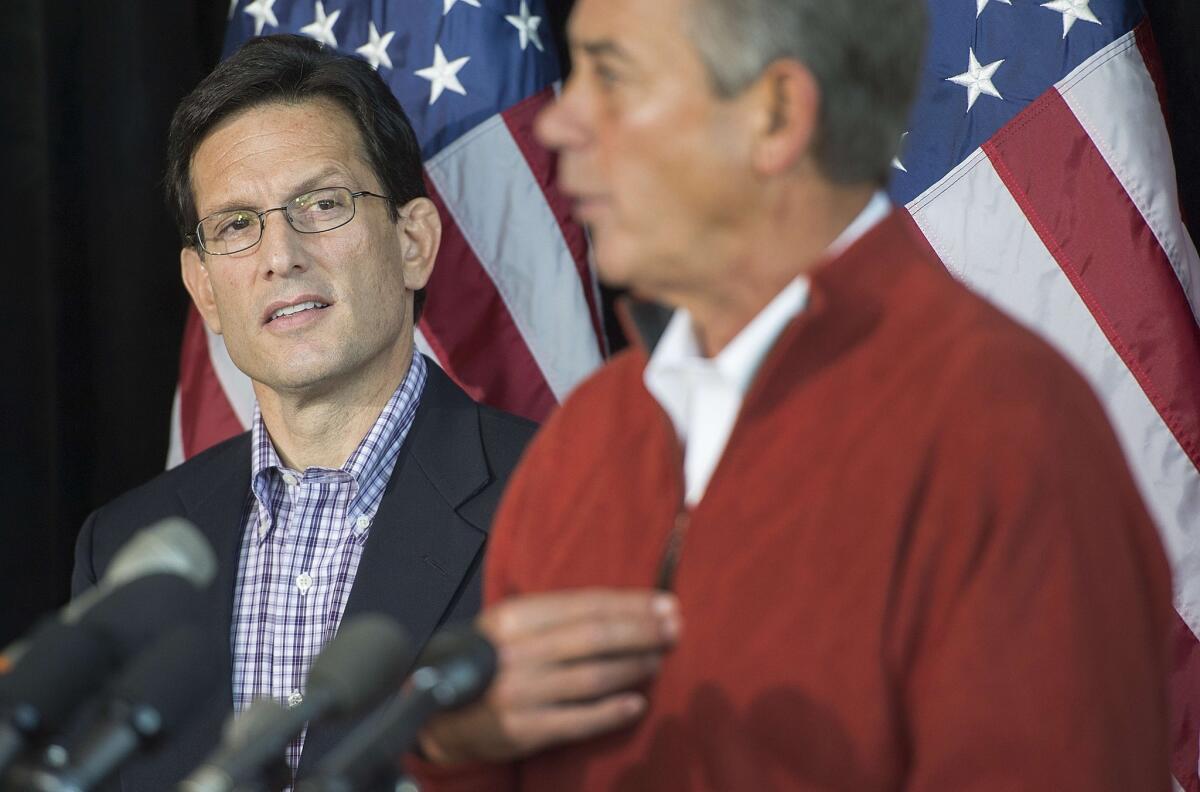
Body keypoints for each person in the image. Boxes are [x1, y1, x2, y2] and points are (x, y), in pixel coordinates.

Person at [410, 0, 1173, 789]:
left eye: (611, 75)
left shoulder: (1000, 427)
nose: (560, 124)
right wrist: (457, 747)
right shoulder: (587, 438)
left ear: (774, 116)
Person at [70, 34, 536, 790]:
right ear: (205, 289)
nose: (279, 254)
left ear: (413, 241)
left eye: (323, 203)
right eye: (235, 225)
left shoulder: (553, 495)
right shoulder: (124, 548)